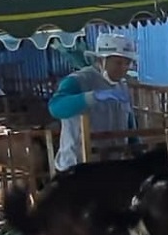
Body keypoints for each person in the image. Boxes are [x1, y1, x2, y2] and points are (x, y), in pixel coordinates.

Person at [48, 33, 139, 171]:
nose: (124, 68)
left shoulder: (122, 85)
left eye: (127, 63)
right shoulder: (78, 81)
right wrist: (92, 97)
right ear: (100, 60)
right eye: (118, 63)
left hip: (112, 164)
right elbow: (55, 108)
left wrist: (137, 148)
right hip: (77, 167)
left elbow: (128, 120)